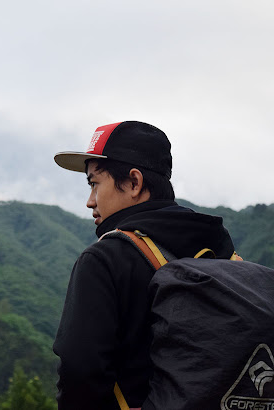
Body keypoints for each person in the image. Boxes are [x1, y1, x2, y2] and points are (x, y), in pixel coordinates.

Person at [51, 121, 237, 409]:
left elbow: (80, 374)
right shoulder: (223, 251)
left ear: (134, 183)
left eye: (94, 183)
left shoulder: (104, 260)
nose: (90, 201)